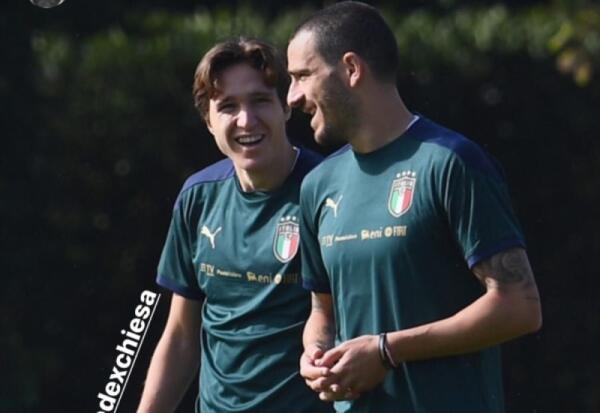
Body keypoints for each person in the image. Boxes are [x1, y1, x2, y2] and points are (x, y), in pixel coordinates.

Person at [286, 2, 543, 412]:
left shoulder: (451, 163)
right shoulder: (318, 185)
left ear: (351, 69)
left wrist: (388, 350)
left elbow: (520, 307)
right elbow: (323, 310)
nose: (292, 97)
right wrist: (315, 355)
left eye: (302, 76)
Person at [137, 38, 331, 413]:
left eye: (260, 100)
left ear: (285, 107)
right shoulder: (198, 197)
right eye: (228, 106)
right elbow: (180, 336)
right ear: (209, 122)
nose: (246, 120)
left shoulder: (328, 191)